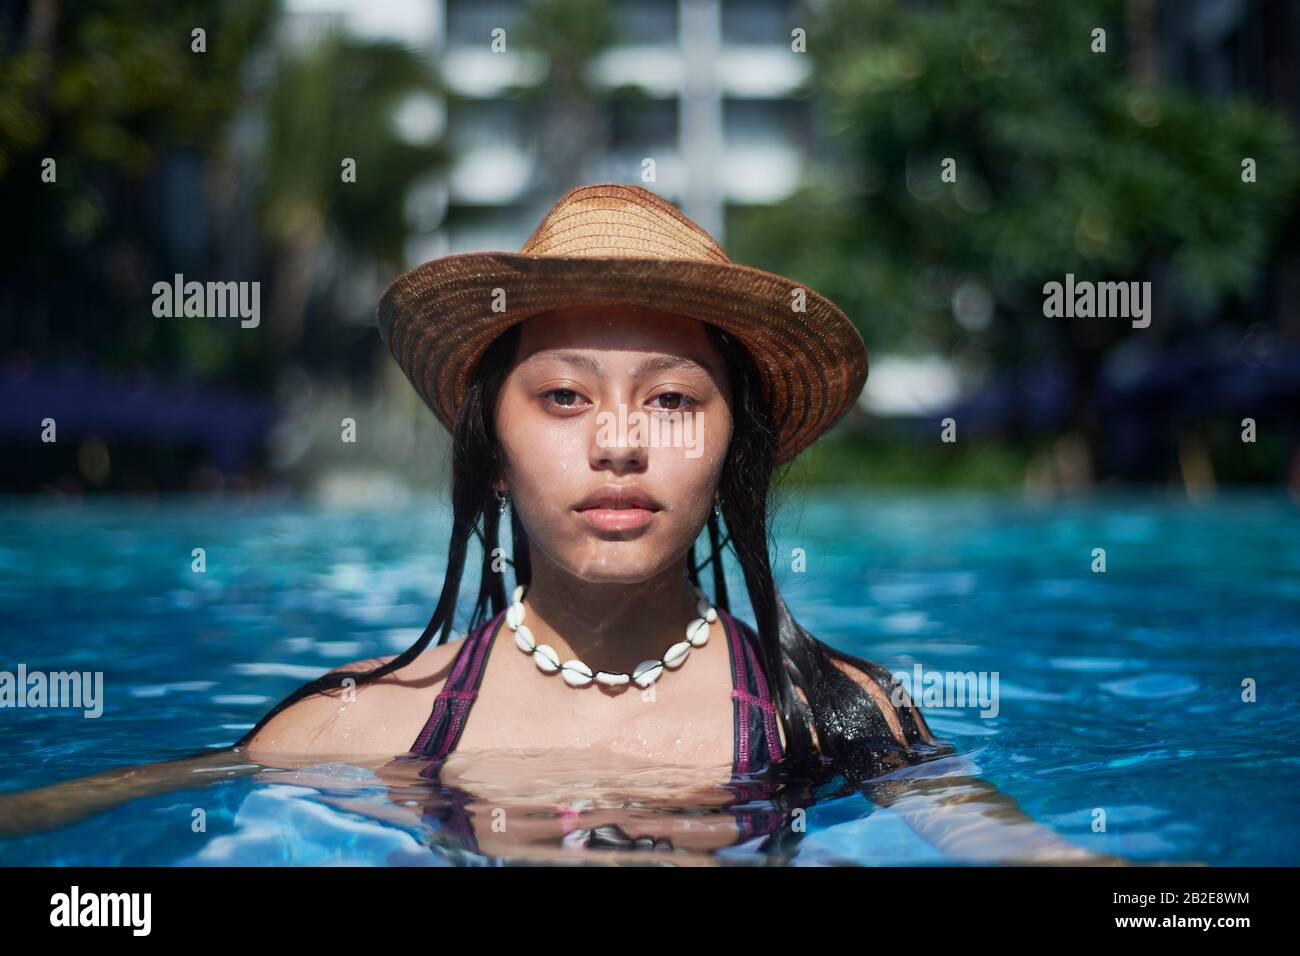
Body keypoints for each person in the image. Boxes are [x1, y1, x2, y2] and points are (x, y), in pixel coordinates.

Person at [0, 184, 1121, 863]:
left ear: (732, 449)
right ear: (490, 450)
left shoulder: (829, 714)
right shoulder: (360, 728)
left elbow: (1026, 852)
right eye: (565, 396)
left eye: (674, 398)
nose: (621, 442)